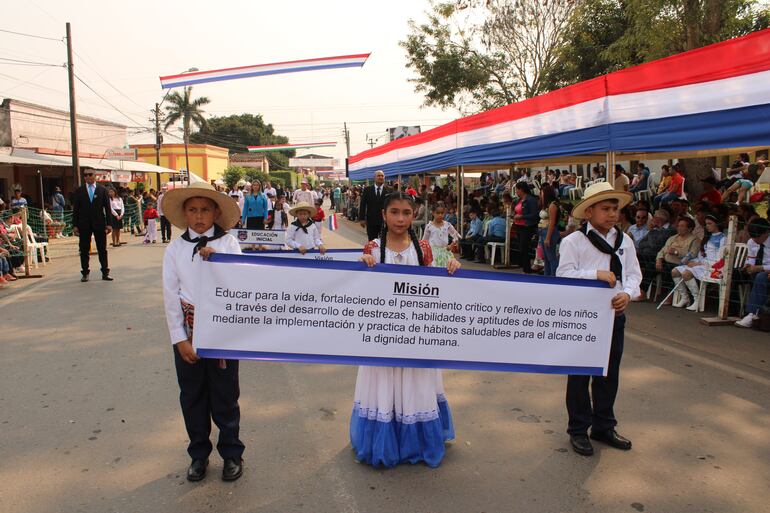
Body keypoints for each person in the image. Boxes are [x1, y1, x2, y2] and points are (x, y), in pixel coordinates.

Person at [355, 192, 459, 468]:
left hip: (416, 335)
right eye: (394, 212)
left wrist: (453, 266)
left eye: (406, 213)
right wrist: (361, 266)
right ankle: (385, 441)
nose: (400, 218)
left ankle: (417, 442)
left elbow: (440, 283)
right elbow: (360, 293)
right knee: (385, 385)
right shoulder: (373, 248)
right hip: (382, 336)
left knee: (416, 384)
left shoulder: (423, 248)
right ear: (384, 215)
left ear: (414, 216)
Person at [161, 182, 245, 482]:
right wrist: (179, 338)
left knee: (225, 396)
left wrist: (217, 263)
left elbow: (239, 285)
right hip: (189, 331)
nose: (199, 216)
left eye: (205, 210)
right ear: (184, 214)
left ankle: (232, 453)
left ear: (216, 212)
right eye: (193, 210)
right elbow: (171, 295)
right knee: (193, 397)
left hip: (222, 333)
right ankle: (198, 455)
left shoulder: (228, 244)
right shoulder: (175, 248)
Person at [556, 181, 641, 457]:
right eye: (605, 208)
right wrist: (595, 275)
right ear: (589, 212)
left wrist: (627, 294)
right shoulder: (573, 241)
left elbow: (633, 275)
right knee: (580, 375)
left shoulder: (624, 241)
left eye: (615, 208)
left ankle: (604, 425)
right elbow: (564, 275)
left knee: (609, 373)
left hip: (613, 317)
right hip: (583, 318)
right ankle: (578, 429)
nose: (612, 213)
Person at [670, 215, 725, 311]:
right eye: (706, 224)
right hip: (703, 263)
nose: (707, 226)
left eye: (709, 223)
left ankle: (697, 300)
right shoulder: (708, 237)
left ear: (717, 224)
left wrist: (700, 264)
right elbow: (702, 254)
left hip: (714, 267)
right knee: (675, 271)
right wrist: (695, 262)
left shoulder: (723, 238)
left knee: (686, 273)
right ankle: (685, 298)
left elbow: (720, 259)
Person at [72, 170, 113, 282]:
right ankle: (85, 273)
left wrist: (109, 224)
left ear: (95, 176)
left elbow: (107, 208)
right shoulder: (79, 191)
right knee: (84, 249)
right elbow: (75, 209)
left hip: (99, 223)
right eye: (85, 175)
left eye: (90, 175)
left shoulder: (102, 190)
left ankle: (105, 272)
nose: (88, 177)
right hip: (84, 224)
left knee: (102, 249)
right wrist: (75, 225)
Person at [656, 218, 700, 307]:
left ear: (690, 228)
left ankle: (673, 296)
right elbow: (662, 250)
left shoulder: (695, 240)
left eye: (682, 226)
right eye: (678, 225)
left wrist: (676, 252)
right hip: (666, 261)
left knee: (670, 270)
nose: (679, 228)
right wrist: (659, 260)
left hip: (681, 264)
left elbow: (693, 254)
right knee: (650, 266)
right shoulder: (673, 238)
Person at [736, 218, 770, 327]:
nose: (755, 240)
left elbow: (760, 268)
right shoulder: (752, 241)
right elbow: (750, 258)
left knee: (760, 277)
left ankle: (752, 312)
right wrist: (748, 266)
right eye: (753, 237)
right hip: (758, 269)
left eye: (758, 237)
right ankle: (736, 309)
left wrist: (760, 268)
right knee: (735, 273)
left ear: (766, 232)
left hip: (765, 271)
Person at [513, 182, 539, 273]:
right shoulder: (519, 200)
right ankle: (524, 266)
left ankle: (527, 268)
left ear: (521, 189)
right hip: (518, 225)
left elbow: (535, 214)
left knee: (524, 247)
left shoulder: (530, 200)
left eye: (517, 189)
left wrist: (522, 217)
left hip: (526, 226)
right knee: (521, 247)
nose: (516, 191)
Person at [359, 170, 392, 241]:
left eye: (382, 176)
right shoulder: (367, 190)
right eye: (378, 176)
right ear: (374, 178)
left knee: (385, 241)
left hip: (385, 221)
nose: (380, 177)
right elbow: (363, 204)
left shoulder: (389, 190)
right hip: (371, 221)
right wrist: (362, 218)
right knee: (372, 242)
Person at [537, 184, 561, 276]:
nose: (541, 195)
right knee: (546, 258)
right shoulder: (546, 205)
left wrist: (548, 238)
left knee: (551, 258)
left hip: (548, 232)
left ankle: (554, 276)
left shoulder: (552, 205)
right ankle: (547, 276)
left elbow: (552, 222)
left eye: (542, 193)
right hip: (543, 231)